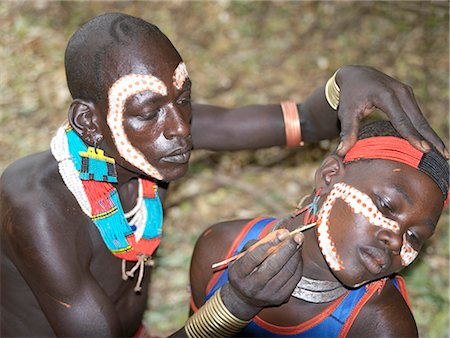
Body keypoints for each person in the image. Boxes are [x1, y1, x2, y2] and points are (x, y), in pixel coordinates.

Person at [0, 12, 447, 337]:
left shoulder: (146, 140)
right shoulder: (38, 210)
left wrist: (348, 80)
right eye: (149, 111)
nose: (179, 128)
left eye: (184, 98)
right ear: (89, 123)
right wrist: (234, 305)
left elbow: (304, 123)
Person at [188, 120, 449, 337]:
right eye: (386, 205)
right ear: (329, 177)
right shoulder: (221, 248)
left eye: (415, 237)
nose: (395, 240)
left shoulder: (380, 326)